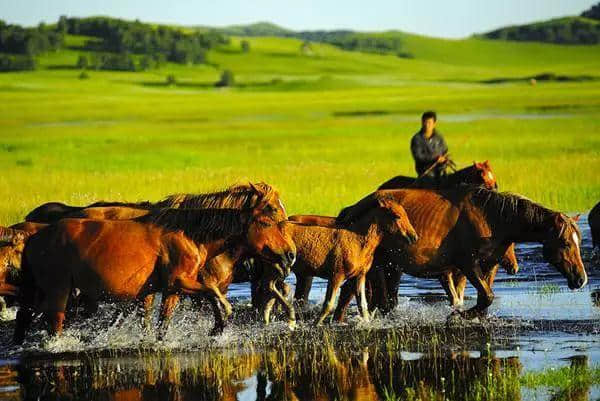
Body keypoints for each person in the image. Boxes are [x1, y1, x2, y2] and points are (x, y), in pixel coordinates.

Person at [410, 111, 449, 180]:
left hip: (441, 171)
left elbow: (445, 150)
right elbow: (419, 157)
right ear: (422, 123)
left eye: (429, 123)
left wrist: (444, 159)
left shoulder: (439, 137)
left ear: (434, 124)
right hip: (426, 173)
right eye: (425, 122)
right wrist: (435, 158)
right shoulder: (416, 139)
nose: (427, 125)